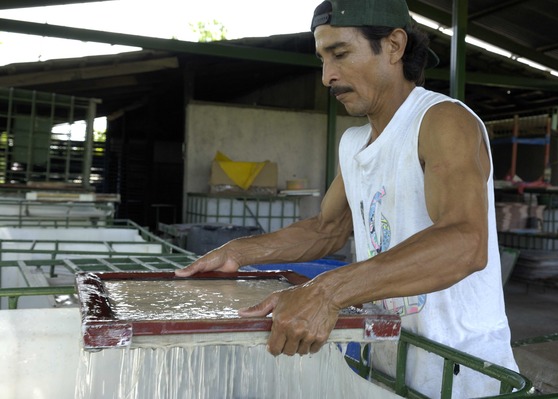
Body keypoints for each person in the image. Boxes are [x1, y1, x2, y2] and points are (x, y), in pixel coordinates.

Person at [176, 0, 519, 396]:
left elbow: (466, 243)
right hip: (391, 359)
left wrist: (325, 292)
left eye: (339, 54)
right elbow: (327, 229)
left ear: (393, 46)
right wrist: (239, 251)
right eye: (322, 59)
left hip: (460, 372)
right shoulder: (354, 142)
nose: (327, 77)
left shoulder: (442, 121)